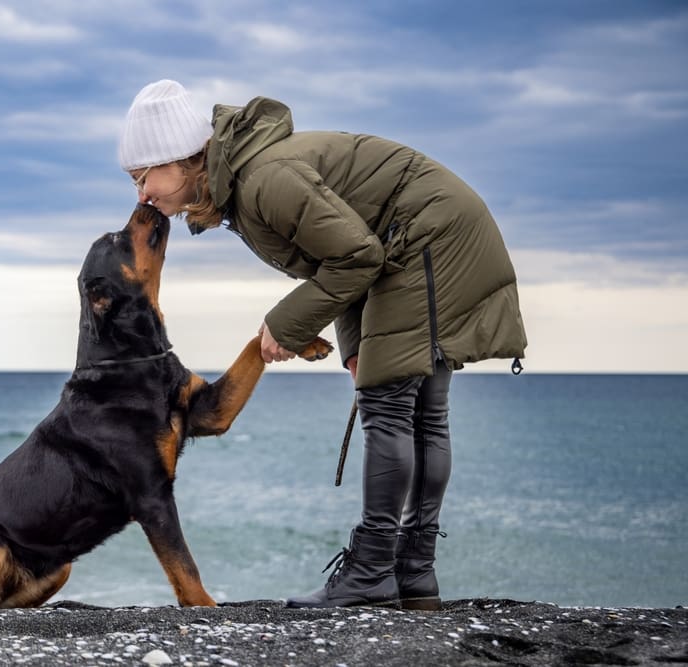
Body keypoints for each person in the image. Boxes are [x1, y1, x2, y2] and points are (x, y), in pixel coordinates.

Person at [117, 79, 527, 609]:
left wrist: (282, 326)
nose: (142, 195)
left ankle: (376, 572)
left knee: (391, 405)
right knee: (420, 409)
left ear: (181, 159)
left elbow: (359, 257)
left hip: (430, 237)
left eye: (143, 177)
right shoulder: (248, 181)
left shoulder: (264, 180)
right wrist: (356, 343)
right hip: (428, 235)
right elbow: (345, 254)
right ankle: (411, 574)